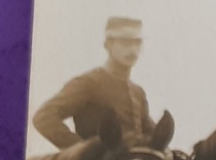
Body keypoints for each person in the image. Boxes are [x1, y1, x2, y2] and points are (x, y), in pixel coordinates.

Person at [33, 16, 157, 150]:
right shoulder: (88, 83)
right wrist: (84, 151)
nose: (132, 50)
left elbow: (150, 133)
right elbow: (44, 118)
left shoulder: (138, 92)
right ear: (108, 45)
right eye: (125, 43)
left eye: (137, 43)